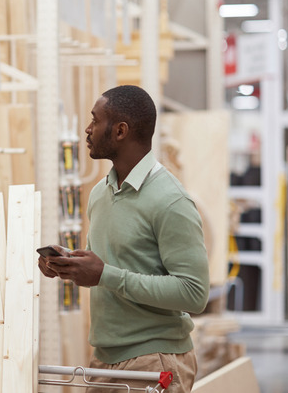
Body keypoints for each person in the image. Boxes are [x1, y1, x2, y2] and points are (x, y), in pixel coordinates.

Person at [38, 85, 210, 393]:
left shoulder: (171, 200)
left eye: (95, 120)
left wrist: (105, 274)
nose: (87, 129)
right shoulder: (101, 193)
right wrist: (68, 266)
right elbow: (110, 268)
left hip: (154, 360)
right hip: (104, 359)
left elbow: (194, 293)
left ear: (120, 130)